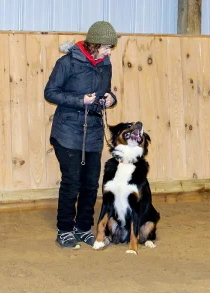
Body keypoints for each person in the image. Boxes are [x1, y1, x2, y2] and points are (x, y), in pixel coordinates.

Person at [44, 21, 118, 249]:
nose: (109, 51)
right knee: (72, 182)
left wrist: (111, 99)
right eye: (106, 47)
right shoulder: (67, 63)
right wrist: (79, 101)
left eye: (110, 48)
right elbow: (50, 93)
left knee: (90, 184)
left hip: (93, 131)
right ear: (94, 44)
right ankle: (64, 229)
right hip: (67, 132)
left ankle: (83, 228)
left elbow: (107, 91)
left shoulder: (105, 64)